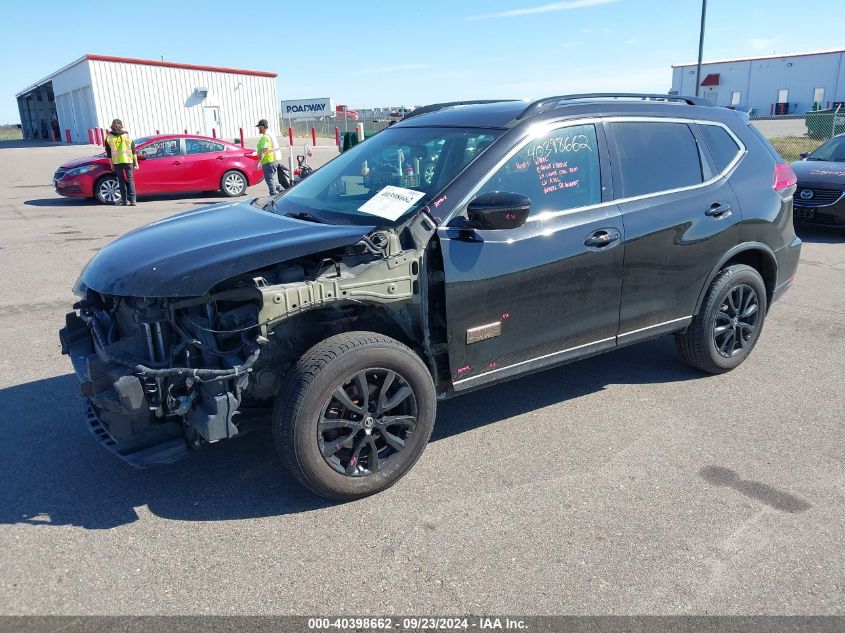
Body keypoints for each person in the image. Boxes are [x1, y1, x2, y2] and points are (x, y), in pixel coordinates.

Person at [104, 119, 138, 206]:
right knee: (130, 180)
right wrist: (136, 163)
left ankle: (124, 200)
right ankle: (133, 200)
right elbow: (133, 150)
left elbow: (109, 154)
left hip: (117, 162)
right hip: (128, 161)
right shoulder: (127, 136)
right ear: (121, 126)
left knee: (121, 181)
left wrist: (111, 164)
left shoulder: (109, 137)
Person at [255, 119, 283, 195]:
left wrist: (258, 162)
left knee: (269, 179)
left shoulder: (265, 137)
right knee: (271, 178)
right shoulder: (270, 134)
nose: (258, 129)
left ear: (262, 127)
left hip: (269, 161)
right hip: (273, 160)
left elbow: (264, 150)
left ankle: (273, 195)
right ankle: (282, 191)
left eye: (259, 127)